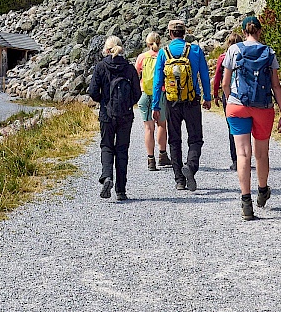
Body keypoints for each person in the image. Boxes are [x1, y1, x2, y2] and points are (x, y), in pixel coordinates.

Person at [223, 15, 281, 220]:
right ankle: (262, 191)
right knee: (261, 154)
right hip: (263, 107)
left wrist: (230, 101)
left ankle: (246, 202)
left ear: (243, 32)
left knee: (243, 154)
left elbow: (225, 83)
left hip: (237, 105)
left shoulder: (233, 50)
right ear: (260, 31)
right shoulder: (269, 52)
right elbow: (276, 86)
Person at [152, 19, 212, 191]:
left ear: (170, 34)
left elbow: (158, 81)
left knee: (174, 139)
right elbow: (204, 75)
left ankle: (179, 179)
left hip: (171, 102)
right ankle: (191, 167)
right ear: (184, 33)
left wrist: (156, 106)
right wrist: (207, 97)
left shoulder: (164, 53)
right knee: (195, 138)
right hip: (192, 101)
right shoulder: (195, 49)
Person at [88, 35, 142, 202]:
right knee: (122, 150)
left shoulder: (101, 67)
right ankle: (121, 190)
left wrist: (104, 101)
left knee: (106, 146)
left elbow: (92, 91)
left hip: (106, 113)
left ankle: (107, 177)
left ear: (106, 49)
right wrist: (127, 104)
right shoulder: (129, 68)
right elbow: (137, 93)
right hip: (125, 115)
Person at [134, 31, 170, 171]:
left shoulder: (142, 57)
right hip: (160, 93)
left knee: (148, 128)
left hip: (145, 94)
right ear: (159, 42)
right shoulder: (164, 56)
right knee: (161, 125)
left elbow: (135, 74)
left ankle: (150, 159)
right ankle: (162, 155)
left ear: (147, 43)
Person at [211, 28, 243, 171]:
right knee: (245, 127)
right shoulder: (245, 56)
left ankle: (236, 160)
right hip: (244, 94)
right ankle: (245, 157)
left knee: (232, 127)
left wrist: (215, 93)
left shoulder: (223, 57)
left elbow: (218, 76)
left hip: (228, 95)